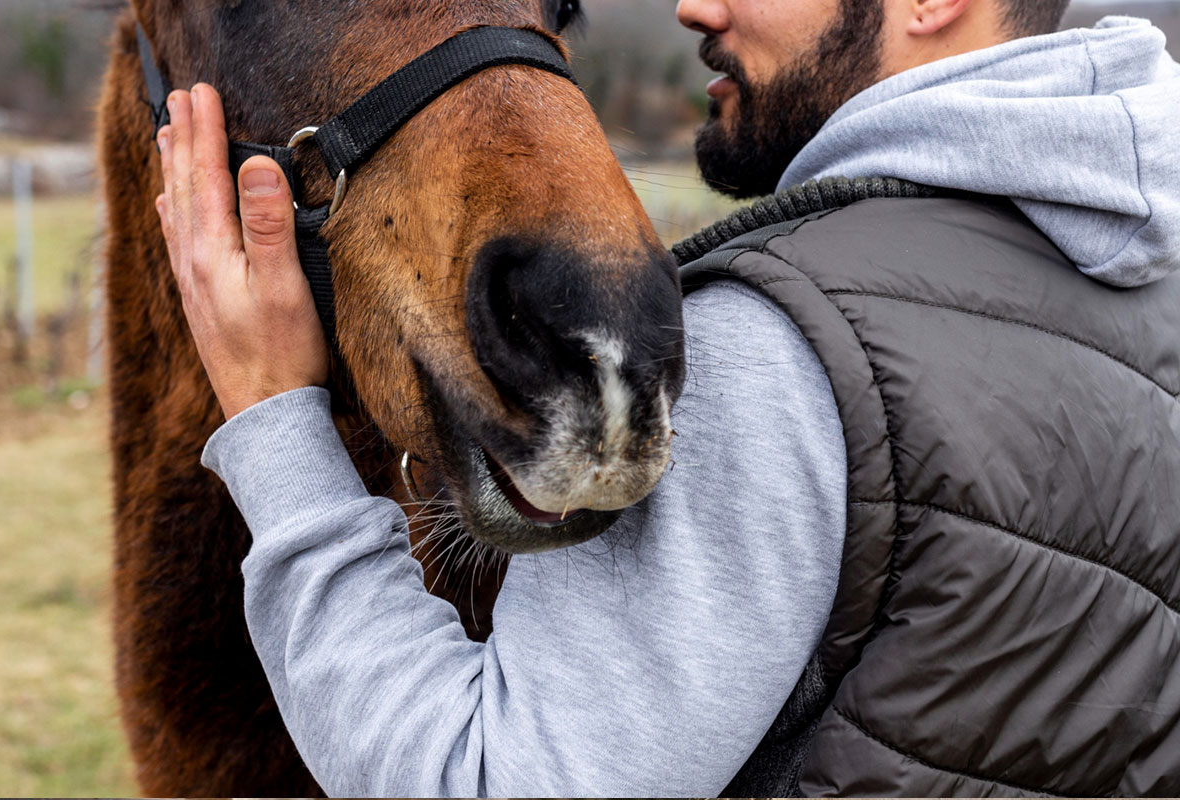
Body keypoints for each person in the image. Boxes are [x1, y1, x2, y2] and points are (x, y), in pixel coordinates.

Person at [154, 0, 1180, 795]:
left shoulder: (784, 345)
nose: (692, 7)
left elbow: (481, 777)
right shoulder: (1146, 289)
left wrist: (273, 418)